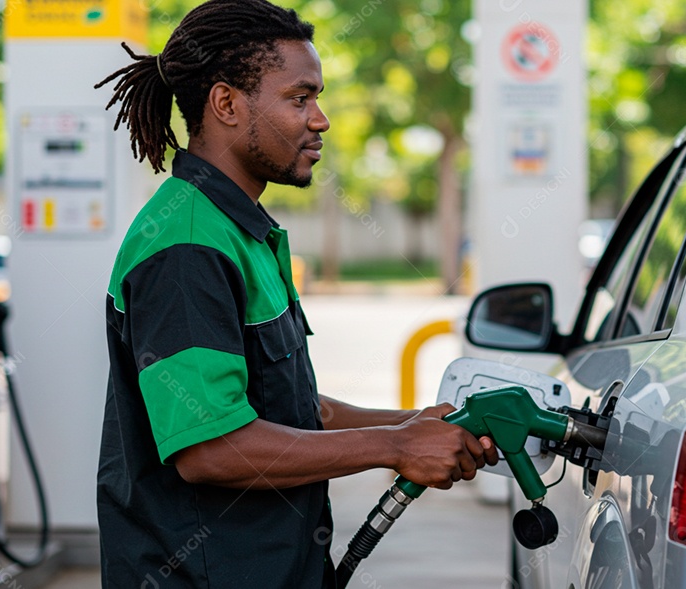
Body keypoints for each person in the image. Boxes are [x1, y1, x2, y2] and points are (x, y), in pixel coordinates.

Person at [93, 2, 498, 587]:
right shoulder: (186, 246)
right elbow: (211, 449)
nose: (321, 120)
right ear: (227, 104)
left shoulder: (238, 231)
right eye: (299, 98)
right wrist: (393, 446)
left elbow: (289, 409)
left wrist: (414, 423)